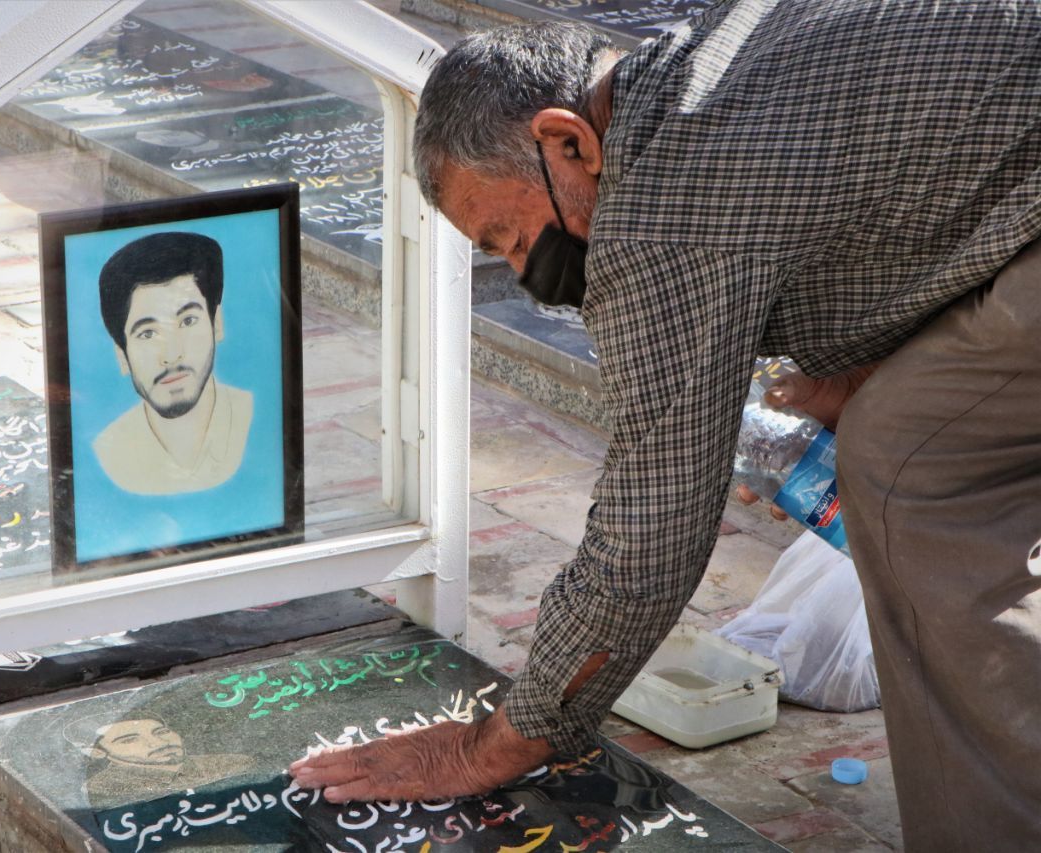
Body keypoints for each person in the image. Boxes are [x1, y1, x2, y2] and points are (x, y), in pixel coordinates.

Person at [290, 2, 1041, 848]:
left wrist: (494, 743)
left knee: (913, 469)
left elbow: (649, 536)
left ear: (569, 140)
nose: (529, 274)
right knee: (905, 428)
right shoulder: (693, 70)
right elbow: (933, 168)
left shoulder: (656, 211)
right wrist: (861, 361)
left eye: (512, 237)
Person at [93, 231, 252, 495]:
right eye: (147, 333)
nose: (171, 354)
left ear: (216, 324)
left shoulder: (254, 418)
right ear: (122, 355)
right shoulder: (109, 449)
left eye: (187, 321)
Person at [65, 714, 254, 811]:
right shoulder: (102, 789)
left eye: (161, 732)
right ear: (98, 752)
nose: (158, 743)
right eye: (130, 740)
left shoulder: (231, 763)